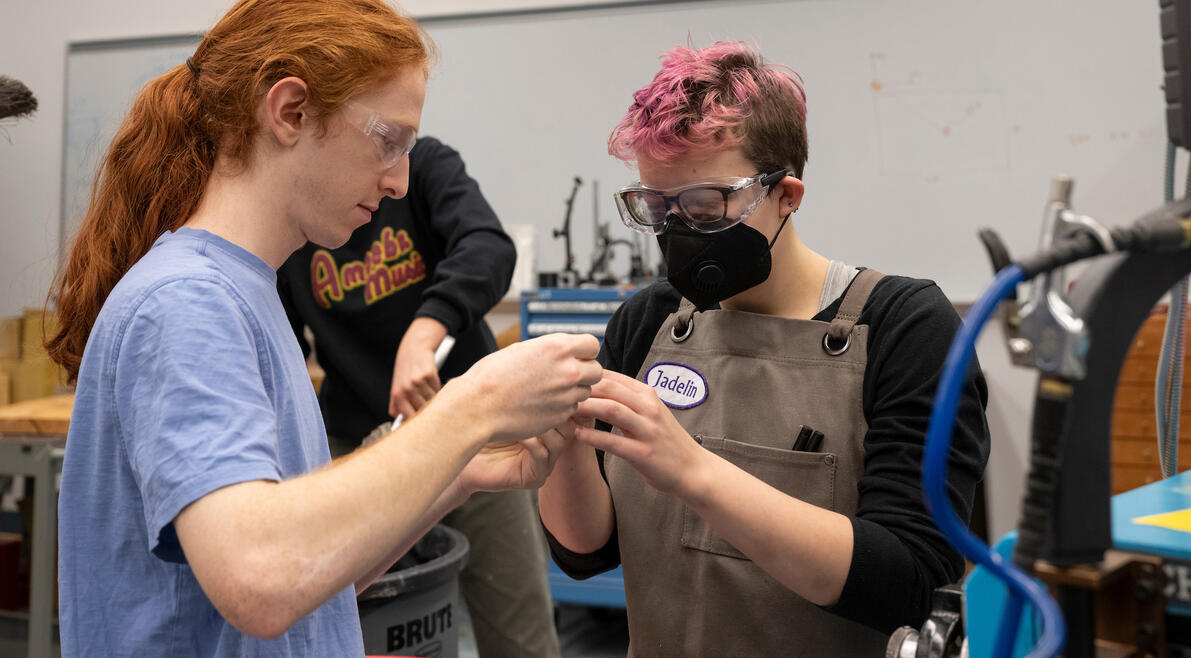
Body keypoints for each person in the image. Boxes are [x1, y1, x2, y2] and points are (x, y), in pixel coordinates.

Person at [44, 1, 601, 655]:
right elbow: (261, 577)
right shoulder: (187, 303)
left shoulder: (248, 295)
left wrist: (458, 472)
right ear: (290, 113)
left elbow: (313, 576)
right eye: (387, 142)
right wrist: (469, 409)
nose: (399, 181)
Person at [538, 42, 990, 656]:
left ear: (787, 195)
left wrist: (693, 471)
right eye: (657, 207)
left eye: (704, 205)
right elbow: (585, 552)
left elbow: (913, 581)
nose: (679, 232)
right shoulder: (649, 320)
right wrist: (560, 441)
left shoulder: (903, 327)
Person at [277, 135, 560, 657]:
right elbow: (280, 350)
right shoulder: (299, 219)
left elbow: (488, 248)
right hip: (364, 447)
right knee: (345, 622)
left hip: (475, 444)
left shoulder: (425, 167)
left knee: (520, 635)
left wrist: (426, 329)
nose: (391, 180)